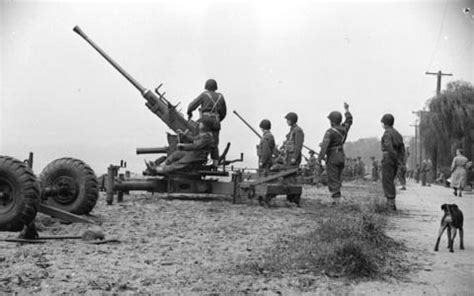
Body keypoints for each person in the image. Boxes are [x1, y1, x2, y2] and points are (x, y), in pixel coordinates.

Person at [148, 118, 215, 174]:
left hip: (198, 157)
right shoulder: (204, 135)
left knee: (178, 164)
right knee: (176, 154)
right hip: (195, 154)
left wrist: (183, 146)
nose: (199, 124)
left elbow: (196, 146)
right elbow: (194, 139)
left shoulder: (207, 137)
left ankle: (158, 170)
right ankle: (161, 165)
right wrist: (184, 134)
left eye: (201, 123)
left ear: (206, 126)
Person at [317, 102, 353, 203]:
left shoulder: (330, 131)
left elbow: (324, 147)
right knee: (338, 177)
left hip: (332, 156)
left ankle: (337, 200)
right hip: (341, 155)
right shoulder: (344, 129)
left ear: (332, 121)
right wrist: (347, 110)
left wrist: (319, 158)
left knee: (332, 177)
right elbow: (349, 120)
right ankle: (338, 197)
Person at [187, 79, 227, 167]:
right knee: (214, 143)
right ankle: (215, 164)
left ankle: (200, 160)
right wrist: (217, 120)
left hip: (205, 120)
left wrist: (189, 113)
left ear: (206, 87)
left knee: (202, 140)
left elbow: (191, 106)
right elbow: (224, 113)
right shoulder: (221, 96)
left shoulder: (205, 95)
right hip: (216, 120)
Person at [380, 113, 405, 211]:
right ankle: (391, 203)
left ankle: (390, 204)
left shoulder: (387, 133)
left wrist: (395, 158)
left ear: (385, 123)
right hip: (395, 160)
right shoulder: (397, 134)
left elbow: (389, 148)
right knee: (391, 180)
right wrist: (400, 160)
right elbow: (402, 149)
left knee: (387, 181)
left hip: (388, 158)